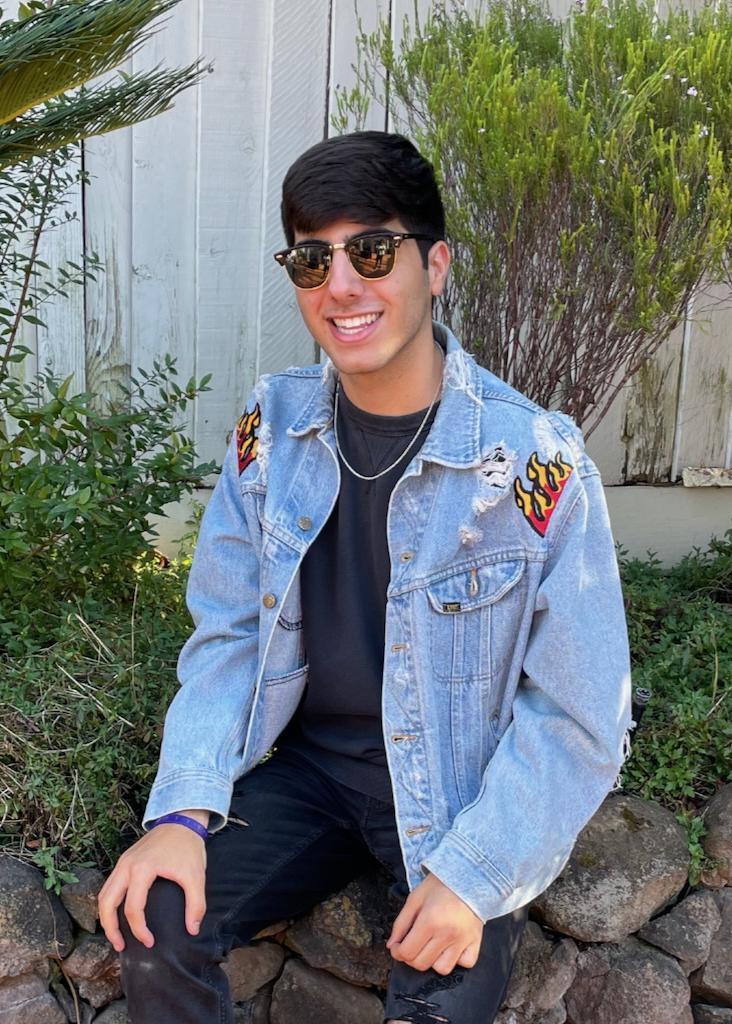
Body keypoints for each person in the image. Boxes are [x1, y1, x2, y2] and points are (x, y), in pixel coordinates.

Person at [98, 130, 633, 1024]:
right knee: (153, 918)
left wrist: (474, 877)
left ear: (437, 265)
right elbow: (229, 631)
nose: (341, 285)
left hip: (458, 799)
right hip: (313, 777)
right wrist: (182, 815)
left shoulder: (535, 460)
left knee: (439, 1004)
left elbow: (582, 713)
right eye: (313, 259)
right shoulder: (273, 430)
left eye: (372, 251)